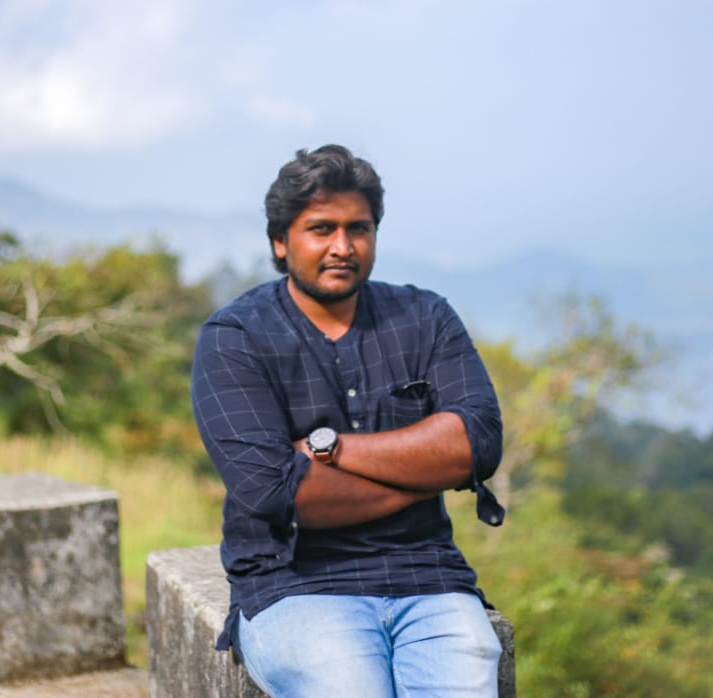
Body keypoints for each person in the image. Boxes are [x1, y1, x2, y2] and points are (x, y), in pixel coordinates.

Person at [191, 144, 506, 697]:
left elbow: (477, 443)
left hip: (428, 578)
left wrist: (330, 449)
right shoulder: (236, 338)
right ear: (280, 241)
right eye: (321, 229)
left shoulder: (425, 318)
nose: (343, 246)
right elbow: (274, 493)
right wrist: (425, 473)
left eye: (358, 228)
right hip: (295, 585)